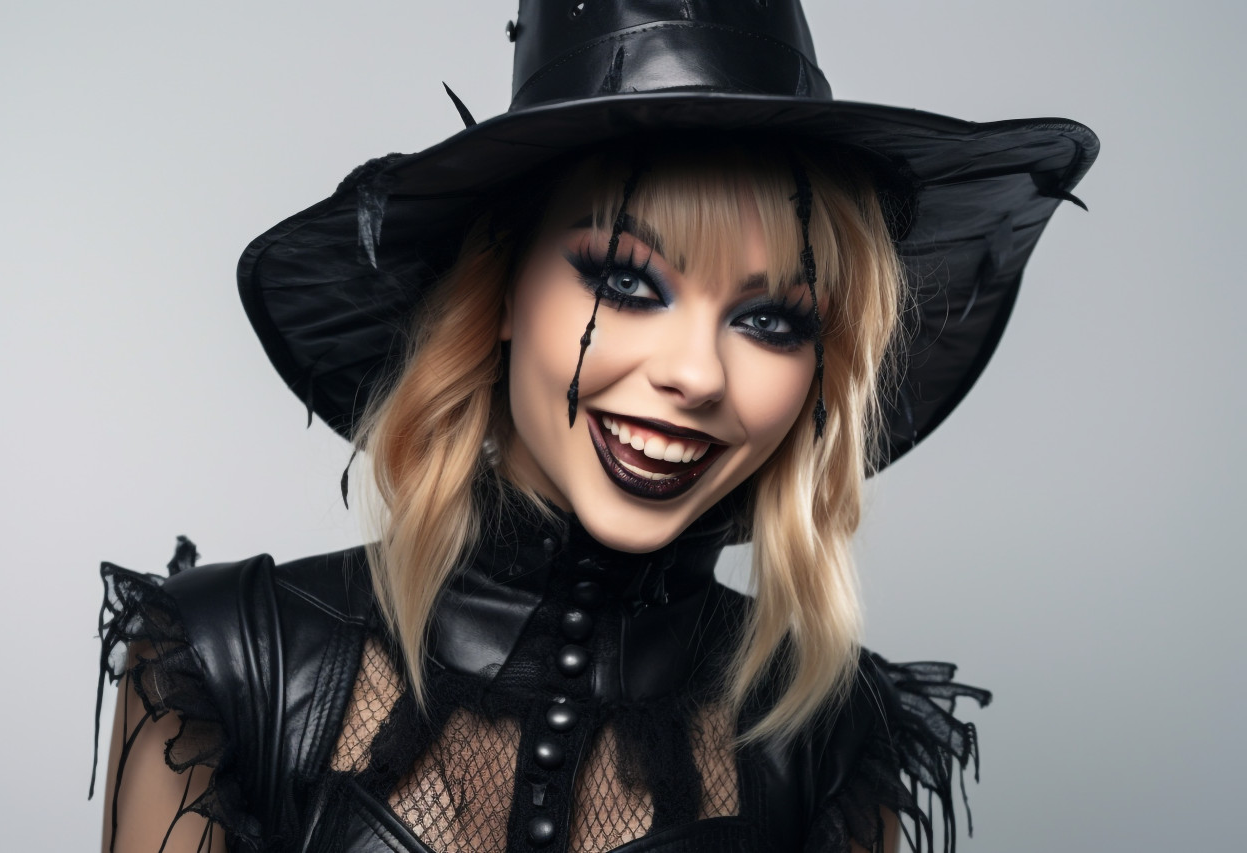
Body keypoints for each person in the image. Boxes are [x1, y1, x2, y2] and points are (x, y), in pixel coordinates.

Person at [92, 3, 1097, 852]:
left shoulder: (830, 738)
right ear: (496, 291)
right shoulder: (226, 665)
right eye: (624, 279)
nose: (696, 375)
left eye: (769, 318)